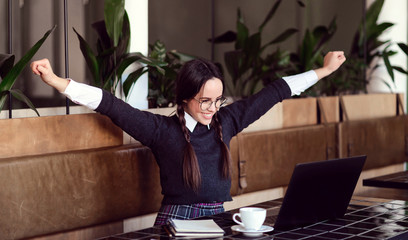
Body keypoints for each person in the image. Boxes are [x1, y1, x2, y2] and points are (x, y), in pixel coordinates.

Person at [31, 51, 346, 225]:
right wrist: (57, 81)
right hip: (178, 223)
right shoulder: (161, 132)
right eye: (204, 101)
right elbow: (110, 104)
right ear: (184, 98)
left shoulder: (228, 120)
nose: (212, 108)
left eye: (217, 100)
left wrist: (324, 70)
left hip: (220, 219)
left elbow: (277, 91)